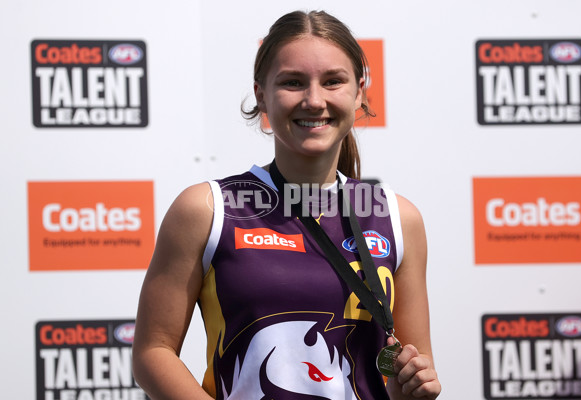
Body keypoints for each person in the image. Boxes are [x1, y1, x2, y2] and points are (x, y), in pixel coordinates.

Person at [132, 9, 441, 400]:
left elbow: (408, 367)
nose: (314, 100)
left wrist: (412, 384)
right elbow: (152, 352)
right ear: (261, 93)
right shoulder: (208, 209)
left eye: (333, 81)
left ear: (359, 91)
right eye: (293, 82)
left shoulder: (397, 217)